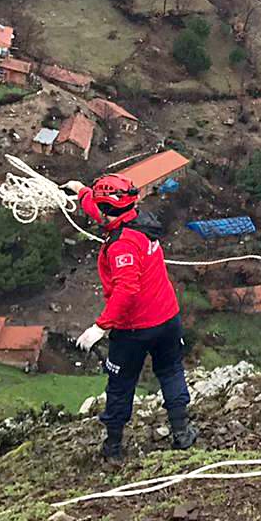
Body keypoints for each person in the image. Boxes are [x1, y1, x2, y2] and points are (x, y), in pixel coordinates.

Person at [67, 173, 198, 461]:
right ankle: (182, 433)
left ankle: (113, 447)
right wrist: (80, 190)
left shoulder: (122, 246)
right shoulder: (139, 220)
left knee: (121, 384)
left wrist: (100, 327)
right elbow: (104, 212)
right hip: (167, 318)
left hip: (134, 329)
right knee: (171, 371)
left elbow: (126, 290)